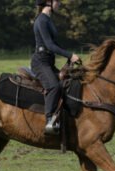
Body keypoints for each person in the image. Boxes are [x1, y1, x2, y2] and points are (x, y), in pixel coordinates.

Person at [31, 0, 80, 135]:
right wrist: (70, 55)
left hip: (48, 62)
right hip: (40, 63)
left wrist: (69, 57)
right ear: (48, 2)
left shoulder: (48, 20)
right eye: (57, 1)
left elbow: (55, 44)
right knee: (54, 86)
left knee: (67, 82)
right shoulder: (41, 20)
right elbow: (49, 45)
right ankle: (49, 122)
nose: (59, 3)